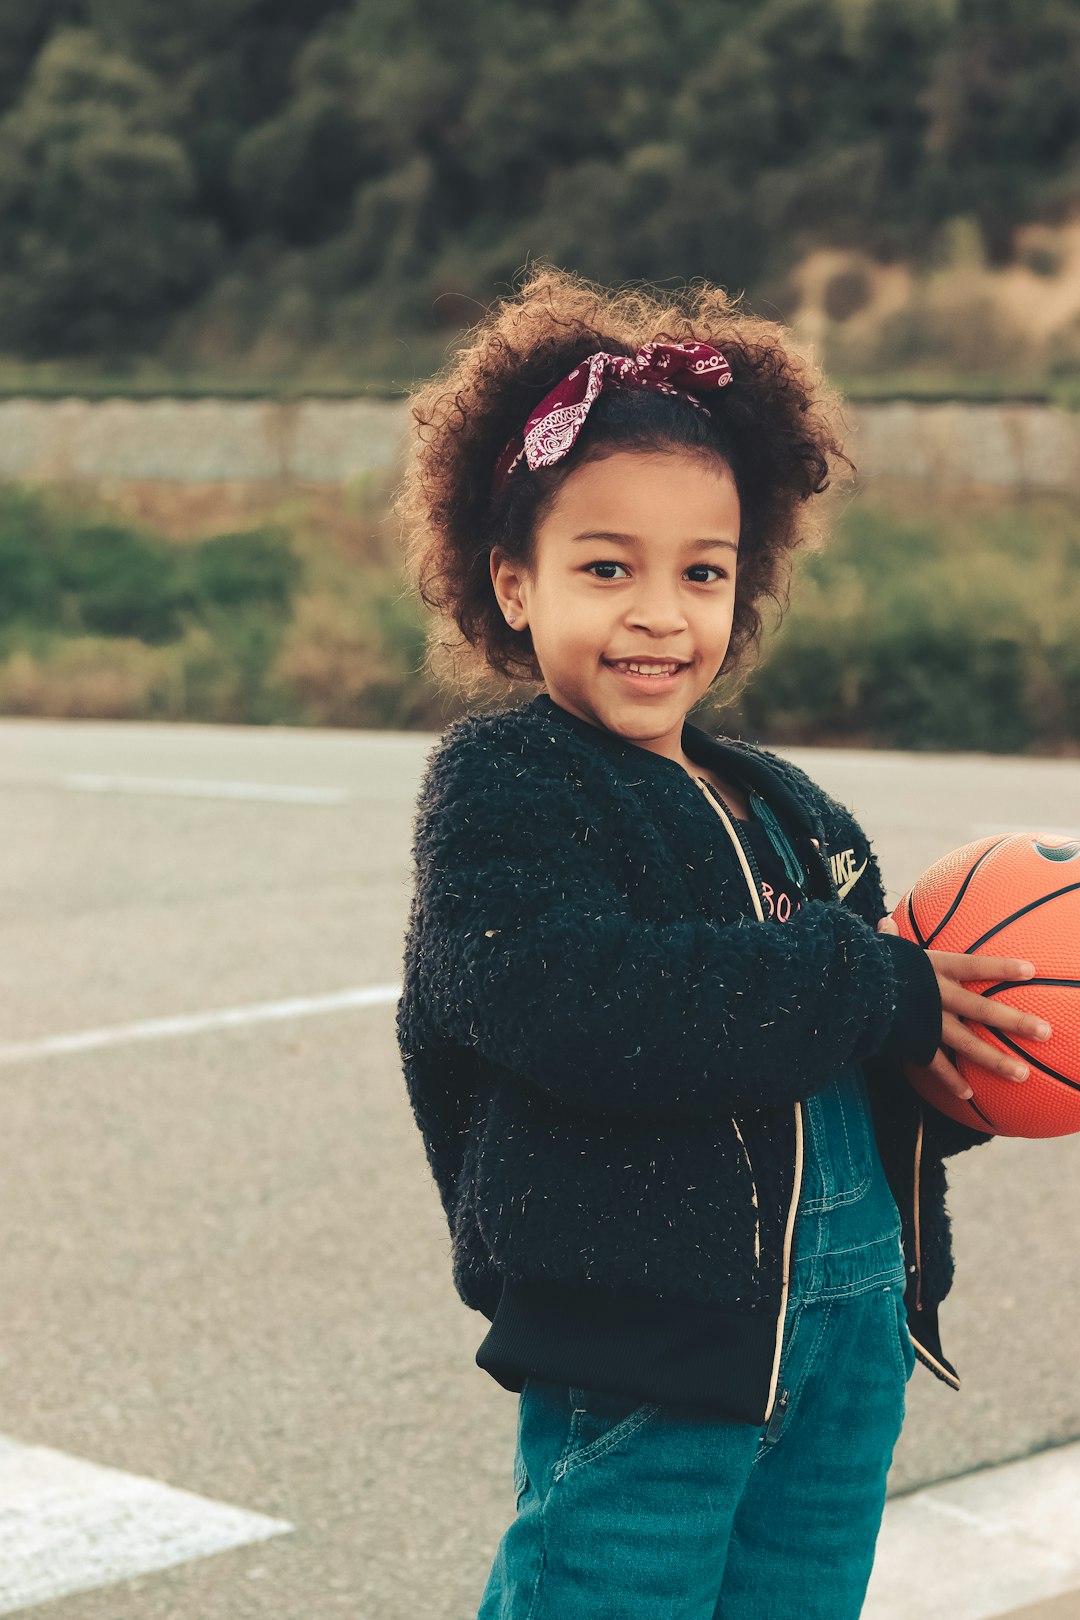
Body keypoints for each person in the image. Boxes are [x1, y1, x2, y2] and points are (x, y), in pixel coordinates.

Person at [393, 264, 1049, 1619]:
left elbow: (855, 1042)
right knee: (609, 1593)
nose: (658, 611)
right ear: (513, 584)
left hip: (849, 1334)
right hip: (654, 1343)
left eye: (702, 571)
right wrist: (868, 981)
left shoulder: (791, 805)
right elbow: (558, 998)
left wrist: (958, 1052)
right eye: (605, 567)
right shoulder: (512, 784)